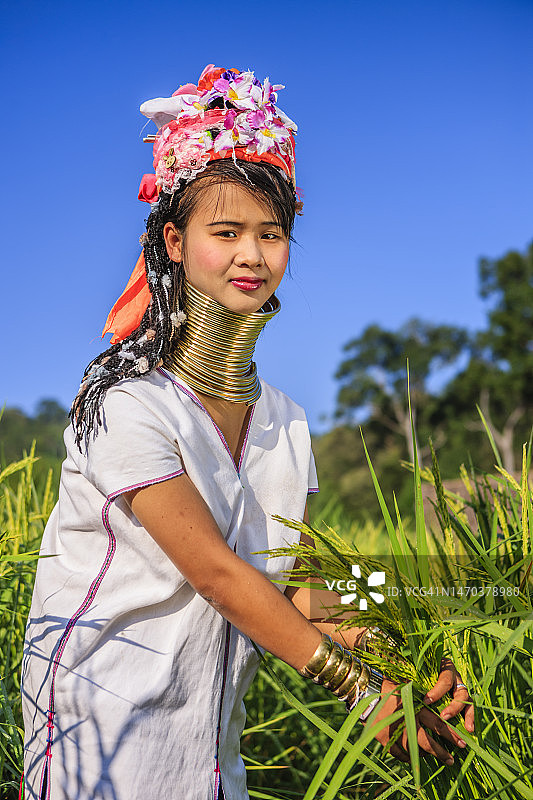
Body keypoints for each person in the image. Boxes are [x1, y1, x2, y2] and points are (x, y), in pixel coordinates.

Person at [21, 64, 474, 800]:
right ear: (173, 241)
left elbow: (290, 582)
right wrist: (362, 691)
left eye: (272, 233)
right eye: (224, 231)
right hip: (96, 733)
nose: (252, 255)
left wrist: (403, 651)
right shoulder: (125, 402)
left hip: (206, 745)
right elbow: (219, 576)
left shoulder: (285, 419)